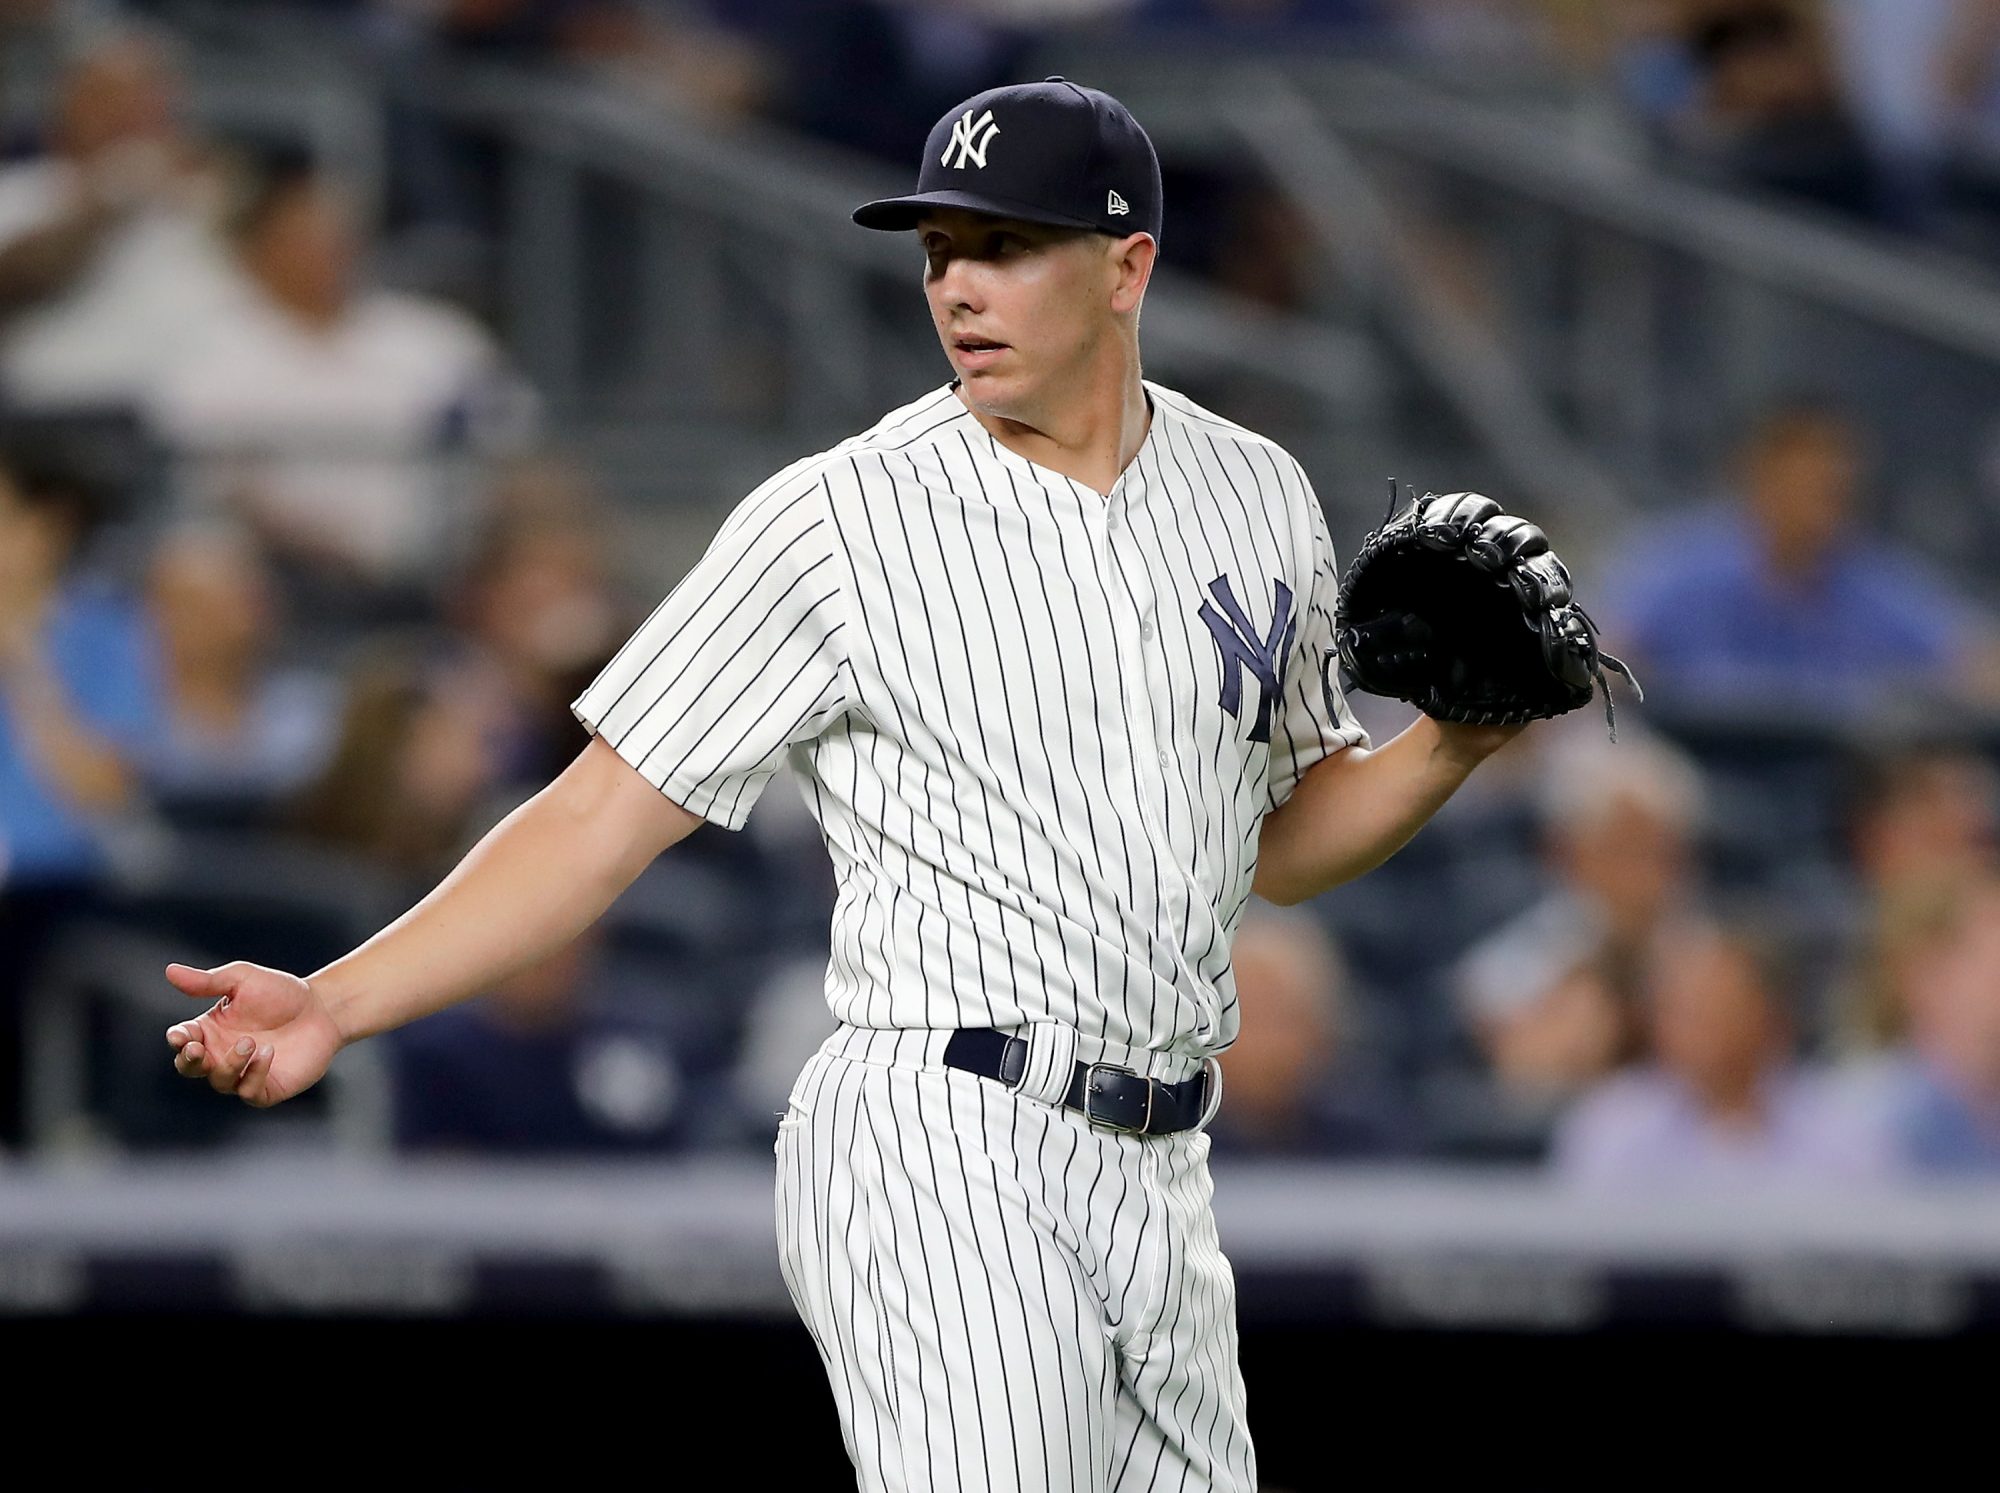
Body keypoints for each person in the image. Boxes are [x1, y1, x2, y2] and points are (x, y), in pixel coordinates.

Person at [162, 79, 1531, 1490]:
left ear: (1129, 267)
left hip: (1164, 1162)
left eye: (1005, 246)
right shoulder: (839, 519)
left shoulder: (1255, 494)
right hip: (942, 1127)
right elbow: (593, 817)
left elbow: (1282, 839)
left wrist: (1451, 746)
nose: (961, 288)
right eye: (941, 252)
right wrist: (336, 997)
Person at [0, 439, 163, 1146]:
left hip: (56, 889)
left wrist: (24, 656)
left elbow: (102, 788)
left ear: (48, 526)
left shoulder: (107, 631)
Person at [1553, 922, 1877, 1185]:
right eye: (1679, 1010)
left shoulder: (1842, 1124)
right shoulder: (1612, 1122)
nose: (1695, 1029)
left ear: (1773, 1018)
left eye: (1717, 1008)